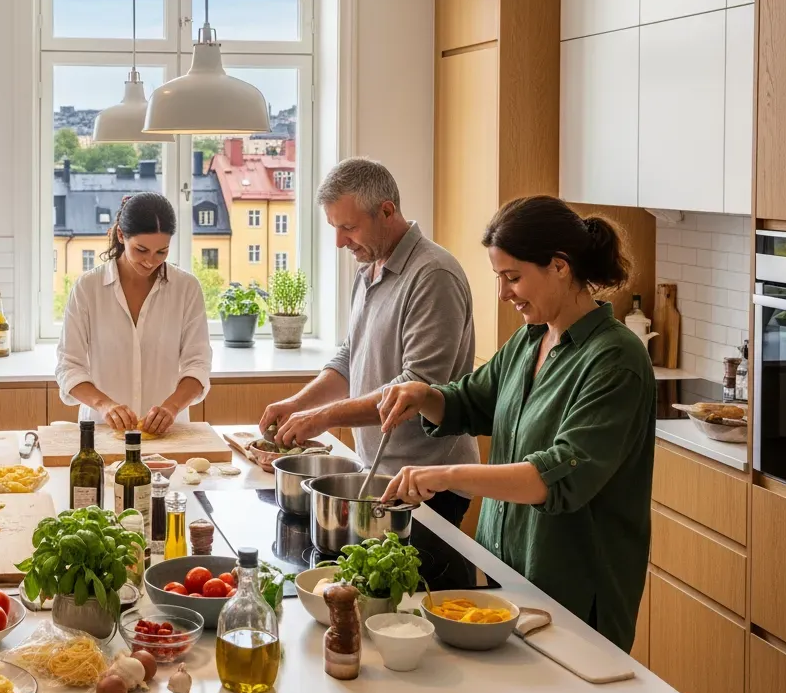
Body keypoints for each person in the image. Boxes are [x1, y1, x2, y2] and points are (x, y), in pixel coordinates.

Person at [377, 196, 654, 651]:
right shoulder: (530, 340)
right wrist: (423, 395)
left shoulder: (616, 360)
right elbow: (468, 402)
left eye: (513, 277)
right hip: (506, 578)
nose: (504, 293)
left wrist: (445, 475)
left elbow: (555, 476)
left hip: (575, 593)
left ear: (559, 266)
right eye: (499, 278)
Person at [259, 158, 478, 526]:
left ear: (387, 211)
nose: (339, 242)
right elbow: (350, 357)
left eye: (349, 227)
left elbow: (415, 388)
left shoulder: (433, 275)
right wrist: (298, 404)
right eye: (334, 228)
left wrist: (323, 417)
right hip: (381, 472)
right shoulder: (368, 269)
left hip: (428, 481)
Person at [57, 192, 211, 434]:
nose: (151, 261)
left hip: (168, 433)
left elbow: (198, 362)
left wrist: (172, 407)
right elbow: (69, 365)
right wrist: (104, 405)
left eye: (161, 252)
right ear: (121, 235)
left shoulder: (186, 288)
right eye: (141, 250)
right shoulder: (88, 288)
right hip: (103, 432)